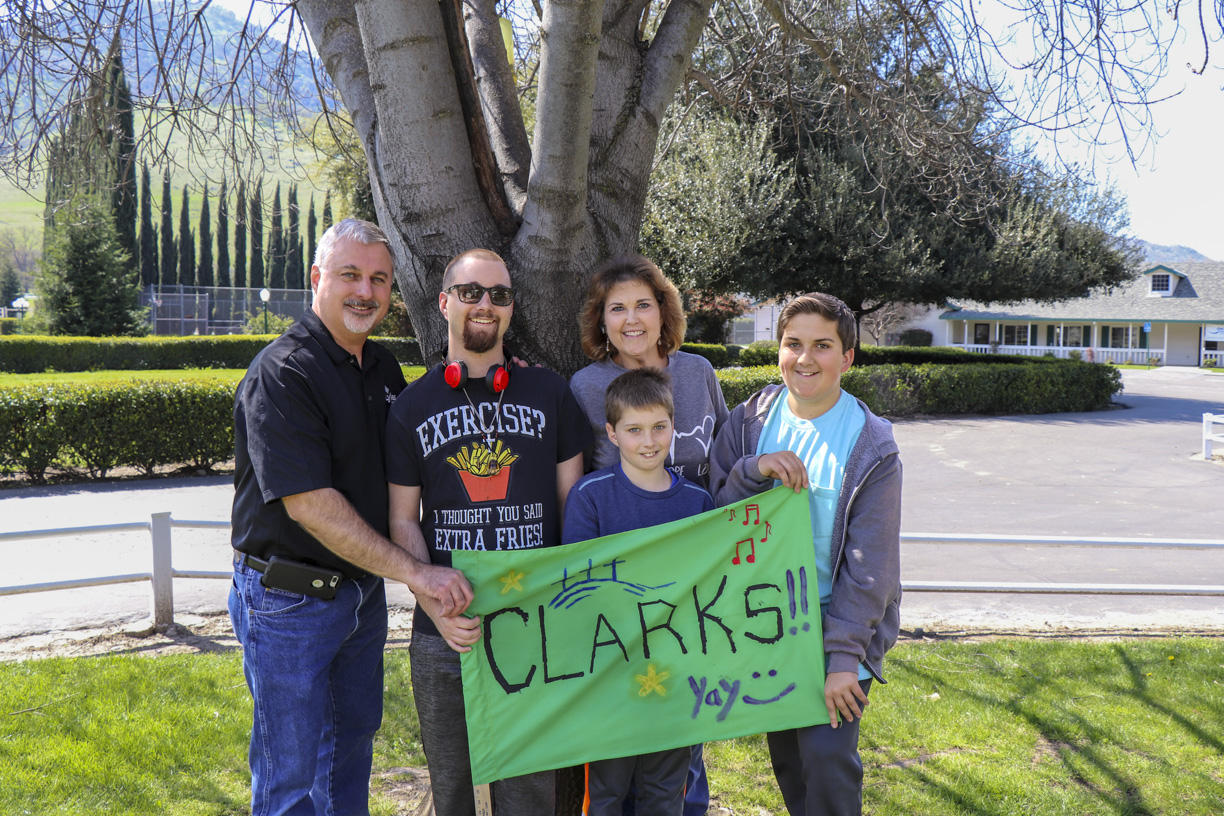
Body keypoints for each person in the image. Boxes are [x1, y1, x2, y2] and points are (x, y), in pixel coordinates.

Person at [230, 218, 471, 816]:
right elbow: (312, 506)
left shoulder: (383, 370)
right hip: (289, 601)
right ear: (317, 278)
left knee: (348, 756)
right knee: (288, 777)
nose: (365, 291)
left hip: (358, 599)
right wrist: (417, 574)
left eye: (379, 279)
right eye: (350, 275)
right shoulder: (282, 374)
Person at [385, 248, 593, 816]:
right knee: (452, 791)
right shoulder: (411, 407)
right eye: (471, 292)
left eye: (499, 295)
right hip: (445, 630)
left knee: (530, 796)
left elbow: (573, 506)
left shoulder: (549, 393)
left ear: (510, 308)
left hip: (537, 627)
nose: (485, 305)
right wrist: (431, 604)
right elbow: (403, 519)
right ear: (444, 302)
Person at [708, 292, 902, 816]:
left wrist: (843, 660)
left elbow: (871, 567)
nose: (805, 358)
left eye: (822, 345)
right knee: (791, 765)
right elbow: (715, 520)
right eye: (793, 344)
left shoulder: (872, 444)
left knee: (827, 761)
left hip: (836, 628)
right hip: (769, 627)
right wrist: (753, 469)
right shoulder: (749, 421)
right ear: (778, 351)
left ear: (848, 357)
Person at [569, 254, 728, 815]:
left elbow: (727, 465)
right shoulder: (587, 387)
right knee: (613, 770)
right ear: (602, 322)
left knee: (681, 763)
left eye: (643, 304)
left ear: (664, 313)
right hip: (620, 607)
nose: (632, 319)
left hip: (690, 597)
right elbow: (580, 480)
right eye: (618, 309)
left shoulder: (699, 374)